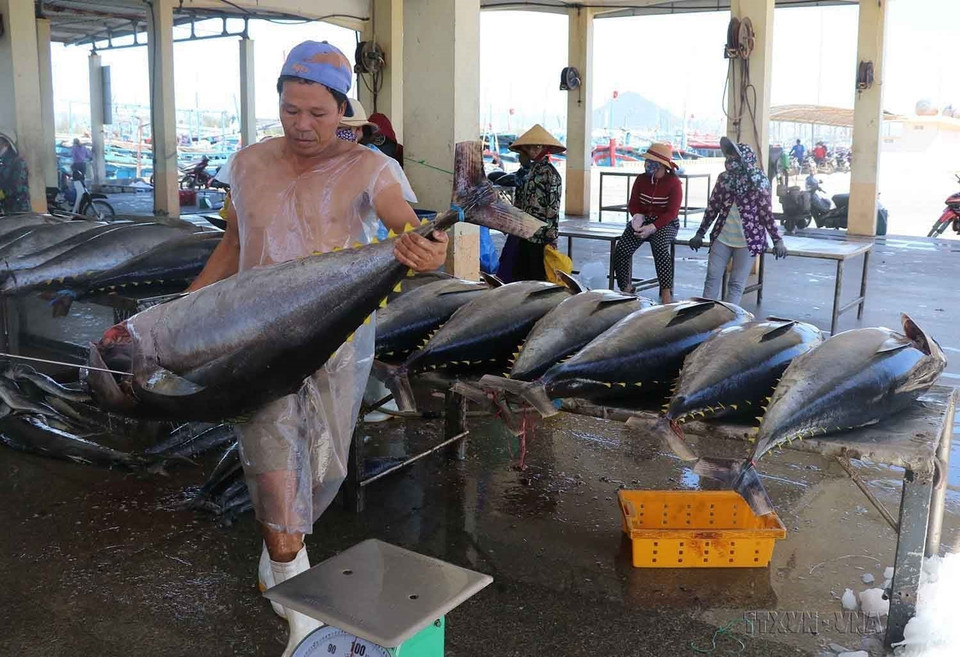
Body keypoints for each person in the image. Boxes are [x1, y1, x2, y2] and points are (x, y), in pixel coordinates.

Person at [184, 41, 449, 656]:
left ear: (342, 111)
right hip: (255, 343)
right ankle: (304, 621)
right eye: (290, 110)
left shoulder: (370, 169)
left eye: (317, 114)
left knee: (322, 470)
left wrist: (424, 247)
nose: (302, 125)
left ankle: (278, 553)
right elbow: (232, 244)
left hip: (337, 344)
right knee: (276, 463)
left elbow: (405, 223)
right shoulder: (246, 163)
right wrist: (181, 312)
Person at [689, 137, 788, 306]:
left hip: (748, 241)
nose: (730, 160)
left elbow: (766, 213)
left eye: (734, 156)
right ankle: (704, 315)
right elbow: (713, 207)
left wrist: (777, 240)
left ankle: (727, 322)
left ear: (745, 159)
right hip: (722, 236)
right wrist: (700, 233)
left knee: (736, 284)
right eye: (729, 156)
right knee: (712, 277)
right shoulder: (724, 179)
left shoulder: (759, 181)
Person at [612, 143, 682, 304]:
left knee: (659, 246)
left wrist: (653, 227)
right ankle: (626, 289)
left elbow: (672, 212)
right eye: (647, 162)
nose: (648, 165)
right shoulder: (641, 179)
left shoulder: (674, 184)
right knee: (622, 249)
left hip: (666, 223)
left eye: (652, 162)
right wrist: (637, 217)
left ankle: (666, 293)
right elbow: (633, 203)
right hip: (643, 219)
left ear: (662, 165)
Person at [496, 124, 563, 282]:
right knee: (517, 273)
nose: (533, 151)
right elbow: (518, 202)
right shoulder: (523, 173)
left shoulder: (551, 174)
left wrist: (551, 239)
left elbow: (553, 209)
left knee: (537, 277)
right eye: (529, 147)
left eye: (537, 147)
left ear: (545, 148)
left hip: (539, 234)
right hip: (521, 231)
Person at [0, 133, 31, 214]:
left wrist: (2, 193)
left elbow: (18, 187)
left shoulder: (17, 162)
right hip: (7, 207)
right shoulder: (3, 161)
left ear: (6, 144)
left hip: (19, 209)